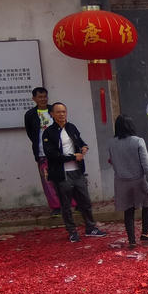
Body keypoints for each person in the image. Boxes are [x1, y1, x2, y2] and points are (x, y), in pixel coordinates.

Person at [43, 103, 107, 243]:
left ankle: (91, 228)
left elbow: (79, 141)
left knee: (85, 201)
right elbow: (51, 154)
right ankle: (72, 231)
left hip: (77, 172)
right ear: (52, 114)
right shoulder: (48, 133)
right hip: (62, 174)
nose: (62, 114)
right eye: (58, 112)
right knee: (66, 205)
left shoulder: (71, 127)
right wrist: (72, 157)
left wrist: (84, 147)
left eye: (64, 111)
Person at [107, 115, 148, 249]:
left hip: (121, 181)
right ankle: (145, 233)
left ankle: (132, 240)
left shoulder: (111, 142)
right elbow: (146, 165)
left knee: (128, 210)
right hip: (138, 179)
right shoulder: (138, 141)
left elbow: (111, 161)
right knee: (147, 204)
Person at [23, 86, 63, 215]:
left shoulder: (54, 110)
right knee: (48, 181)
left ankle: (74, 203)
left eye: (44, 96)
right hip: (42, 153)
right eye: (39, 97)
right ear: (34, 98)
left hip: (59, 151)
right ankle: (56, 206)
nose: (43, 99)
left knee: (66, 178)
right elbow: (30, 133)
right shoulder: (30, 115)